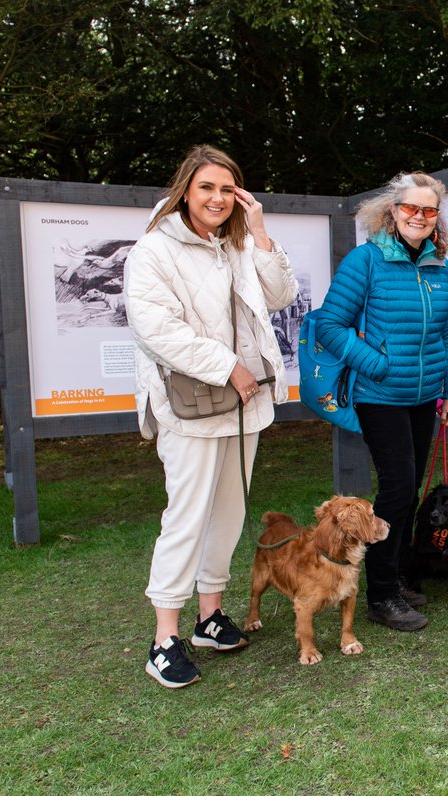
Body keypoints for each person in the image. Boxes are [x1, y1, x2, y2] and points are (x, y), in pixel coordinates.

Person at [126, 145, 298, 688]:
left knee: (227, 512)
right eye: (207, 188)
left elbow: (281, 294)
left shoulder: (238, 244)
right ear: (185, 190)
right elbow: (156, 329)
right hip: (190, 406)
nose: (218, 199)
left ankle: (209, 618)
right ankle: (164, 640)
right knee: (186, 516)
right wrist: (228, 367)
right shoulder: (154, 249)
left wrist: (260, 231)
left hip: (243, 405)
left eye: (228, 189)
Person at [313, 171, 448, 632]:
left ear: (436, 218)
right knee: (397, 489)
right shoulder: (367, 261)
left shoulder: (440, 266)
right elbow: (329, 326)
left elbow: (442, 335)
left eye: (428, 210)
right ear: (392, 212)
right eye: (410, 208)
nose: (419, 217)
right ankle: (380, 595)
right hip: (380, 395)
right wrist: (375, 364)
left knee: (410, 489)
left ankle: (392, 574)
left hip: (422, 397)